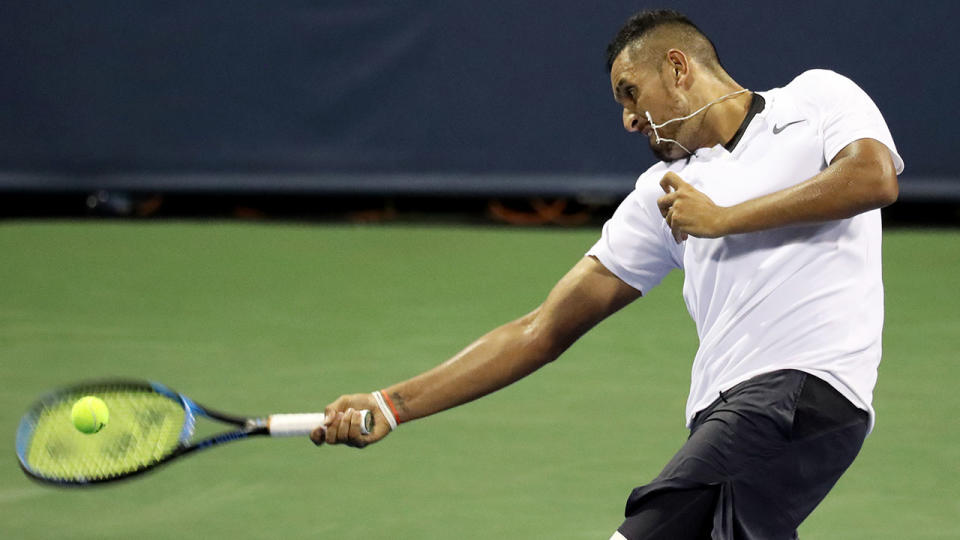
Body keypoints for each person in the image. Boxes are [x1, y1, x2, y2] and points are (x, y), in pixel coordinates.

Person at [310, 8, 903, 540]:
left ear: (677, 67)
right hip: (728, 418)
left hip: (799, 391)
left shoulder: (817, 98)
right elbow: (540, 331)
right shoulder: (657, 197)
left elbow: (873, 179)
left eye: (629, 93)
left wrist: (724, 219)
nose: (627, 119)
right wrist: (393, 404)